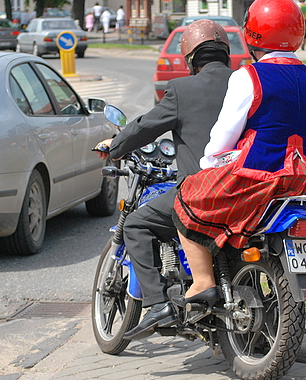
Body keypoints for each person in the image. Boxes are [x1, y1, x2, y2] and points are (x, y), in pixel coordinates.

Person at [172, 0, 306, 309]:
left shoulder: (248, 76)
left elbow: (223, 136)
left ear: (252, 35)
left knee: (186, 197)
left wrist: (208, 166)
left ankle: (203, 281)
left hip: (260, 177)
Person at [93, 20, 234, 340]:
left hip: (201, 192)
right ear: (226, 54)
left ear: (190, 58)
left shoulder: (182, 90)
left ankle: (159, 305)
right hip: (244, 188)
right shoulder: (247, 84)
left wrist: (115, 147)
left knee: (136, 224)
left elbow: (145, 127)